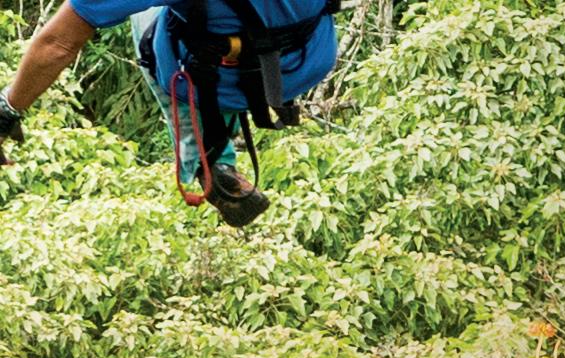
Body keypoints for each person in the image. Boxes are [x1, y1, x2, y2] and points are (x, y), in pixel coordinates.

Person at [0, 0, 338, 227]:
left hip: (215, 80)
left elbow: (58, 44)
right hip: (304, 65)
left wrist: (9, 108)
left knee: (147, 18)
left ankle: (209, 159)